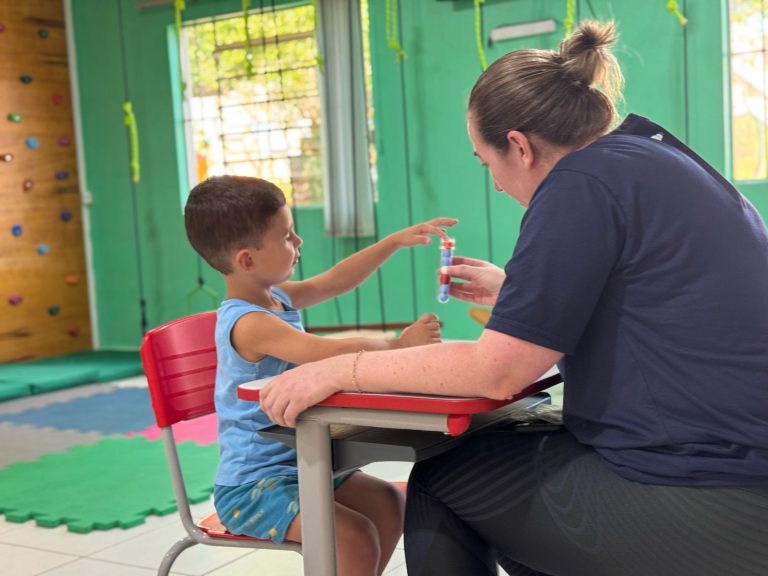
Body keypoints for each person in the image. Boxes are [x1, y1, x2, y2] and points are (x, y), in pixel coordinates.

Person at [259, 20, 768, 576]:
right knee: (505, 477)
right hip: (736, 459)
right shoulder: (652, 155)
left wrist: (341, 369)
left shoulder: (578, 184)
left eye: (488, 164)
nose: (497, 185)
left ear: (520, 147)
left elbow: (496, 372)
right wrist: (516, 291)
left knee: (443, 479)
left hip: (713, 487)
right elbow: (657, 297)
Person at [183, 175, 455, 576]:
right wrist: (398, 345)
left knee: (389, 503)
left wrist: (394, 242)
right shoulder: (249, 322)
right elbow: (325, 354)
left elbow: (336, 281)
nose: (299, 242)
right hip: (253, 488)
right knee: (353, 537)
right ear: (247, 260)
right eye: (286, 236)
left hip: (305, 464)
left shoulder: (278, 298)